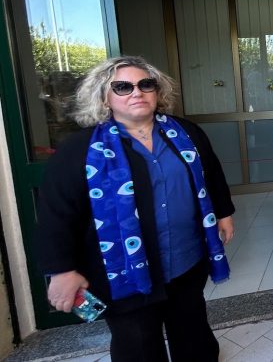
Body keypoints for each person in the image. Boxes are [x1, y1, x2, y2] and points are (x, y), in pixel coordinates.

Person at [38, 56, 234, 361]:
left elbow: (213, 175)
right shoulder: (80, 150)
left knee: (192, 332)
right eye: (122, 87)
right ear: (105, 96)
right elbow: (57, 215)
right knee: (138, 344)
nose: (136, 92)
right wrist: (62, 270)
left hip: (185, 259)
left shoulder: (186, 134)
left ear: (157, 91)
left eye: (146, 84)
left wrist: (223, 213)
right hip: (122, 271)